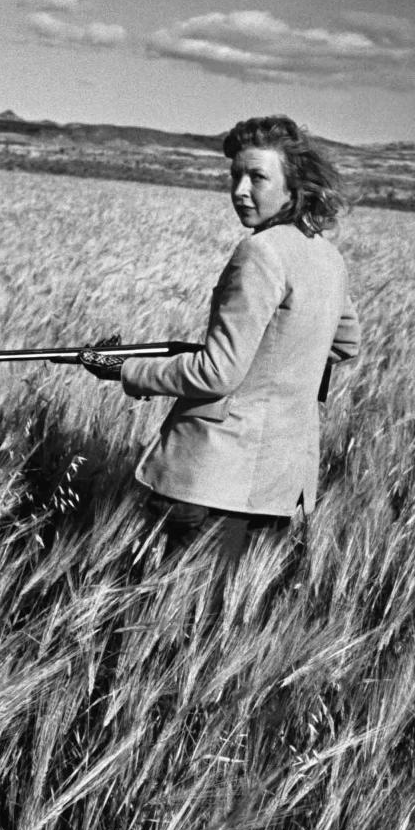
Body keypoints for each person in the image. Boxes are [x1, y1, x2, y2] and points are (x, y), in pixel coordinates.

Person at [79, 115, 361, 565]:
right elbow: (344, 344)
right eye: (235, 176)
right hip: (280, 480)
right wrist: (271, 366)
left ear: (294, 186)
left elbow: (218, 373)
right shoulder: (327, 256)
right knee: (229, 604)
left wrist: (123, 368)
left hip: (214, 473)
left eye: (257, 177)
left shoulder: (261, 251)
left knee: (179, 603)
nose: (240, 190)